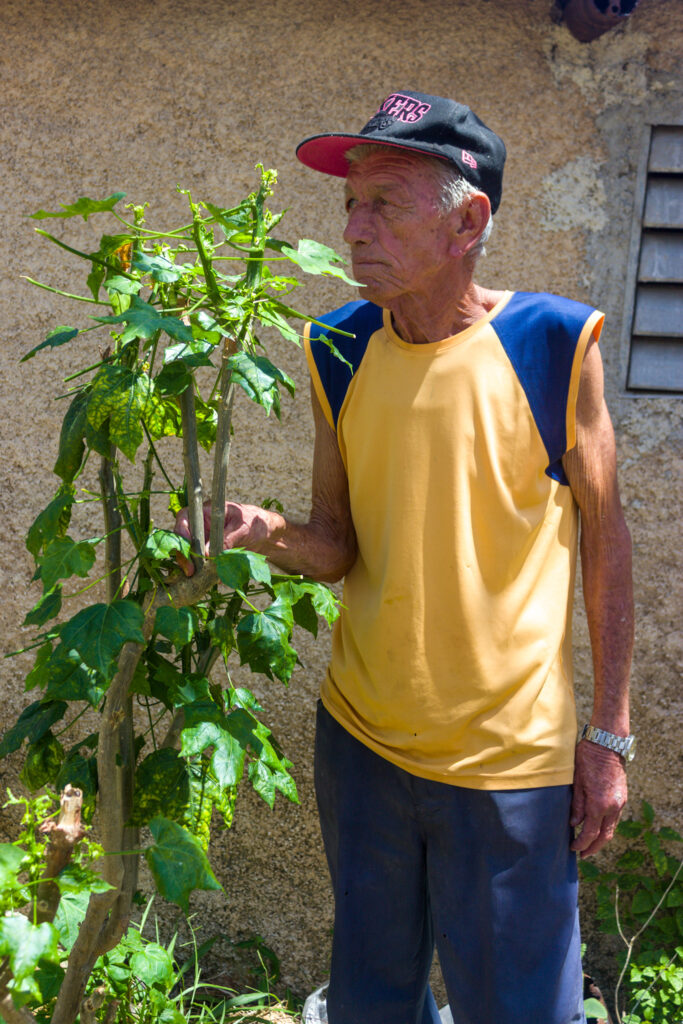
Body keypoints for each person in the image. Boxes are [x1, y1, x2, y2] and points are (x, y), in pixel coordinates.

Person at [176, 89, 634, 1024]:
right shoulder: (337, 350)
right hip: (362, 745)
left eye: (382, 202)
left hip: (507, 770)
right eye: (348, 203)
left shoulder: (552, 344)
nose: (351, 228)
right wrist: (264, 535)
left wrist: (608, 734)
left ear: (468, 220)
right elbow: (337, 544)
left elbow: (605, 536)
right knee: (372, 1002)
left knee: (519, 1010)